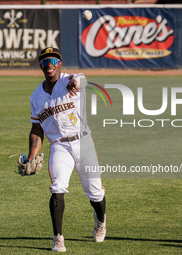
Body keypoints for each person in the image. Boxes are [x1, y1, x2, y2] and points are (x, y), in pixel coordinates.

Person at [27, 47, 106, 252]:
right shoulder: (36, 96)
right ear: (41, 67)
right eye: (45, 62)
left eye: (53, 61)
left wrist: (75, 83)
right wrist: (31, 157)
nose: (49, 65)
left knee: (95, 193)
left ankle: (100, 221)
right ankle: (58, 237)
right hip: (59, 146)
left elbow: (83, 80)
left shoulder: (71, 80)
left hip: (84, 143)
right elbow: (36, 129)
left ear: (60, 64)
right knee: (58, 187)